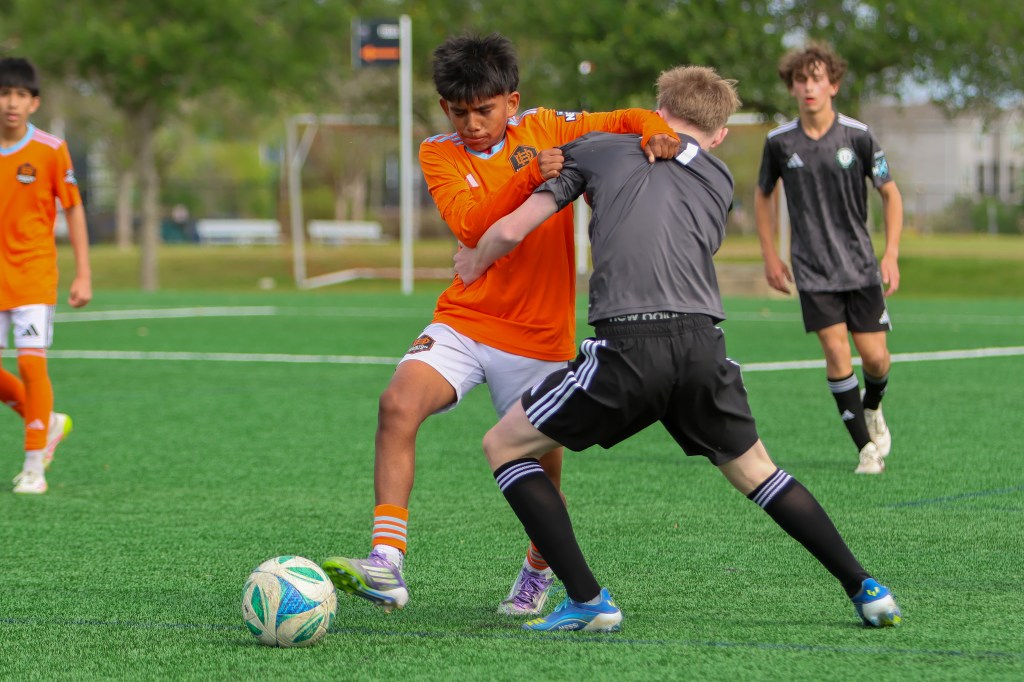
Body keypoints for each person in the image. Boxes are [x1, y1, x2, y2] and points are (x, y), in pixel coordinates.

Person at [454, 65, 902, 632]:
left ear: (655, 107)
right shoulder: (718, 178)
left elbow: (515, 229)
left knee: (505, 445)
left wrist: (476, 258)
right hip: (701, 347)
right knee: (758, 473)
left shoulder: (599, 148)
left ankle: (588, 601)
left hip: (627, 345)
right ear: (718, 133)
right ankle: (866, 588)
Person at [321, 33, 679, 615]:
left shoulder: (547, 126)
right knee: (396, 405)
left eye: (484, 110)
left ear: (512, 102)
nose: (473, 123)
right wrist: (528, 176)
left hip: (540, 337)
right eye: (460, 111)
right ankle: (386, 562)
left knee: (542, 474)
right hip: (466, 319)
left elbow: (626, 116)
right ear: (444, 109)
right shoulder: (438, 152)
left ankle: (539, 570)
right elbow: (469, 225)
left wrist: (652, 131)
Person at [753, 43, 904, 475]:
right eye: (801, 80)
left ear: (833, 84)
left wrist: (890, 253)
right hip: (812, 269)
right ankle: (866, 450)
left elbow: (890, 195)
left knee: (876, 359)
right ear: (792, 88)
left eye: (817, 78)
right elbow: (763, 196)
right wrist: (770, 254)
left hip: (859, 267)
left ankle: (872, 405)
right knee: (836, 352)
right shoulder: (779, 143)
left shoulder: (858, 135)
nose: (809, 87)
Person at [0, 57, 91, 494]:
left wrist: (83, 274)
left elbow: (72, 208)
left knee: (30, 362)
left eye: (20, 95)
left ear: (33, 102)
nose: (10, 103)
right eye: (4, 93)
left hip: (34, 272)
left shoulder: (52, 150)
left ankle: (34, 464)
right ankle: (49, 420)